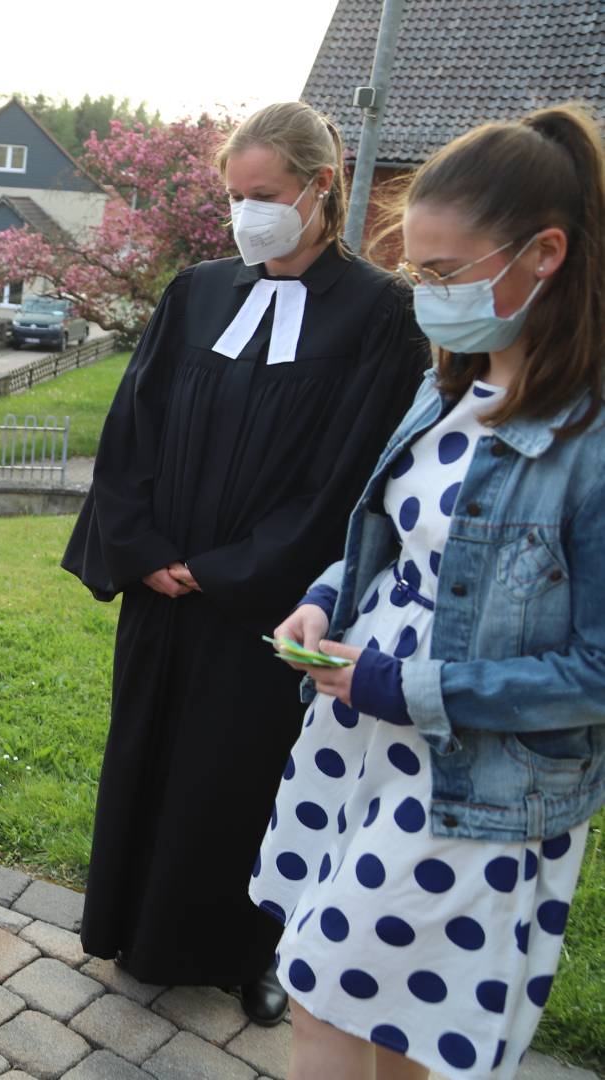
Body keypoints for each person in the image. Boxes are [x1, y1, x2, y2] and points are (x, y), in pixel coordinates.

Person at [254, 103, 605, 1080]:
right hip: (361, 755)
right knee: (404, 1036)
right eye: (420, 271)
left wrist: (396, 685)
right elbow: (398, 540)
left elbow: (595, 670)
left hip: (466, 796)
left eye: (446, 274)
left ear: (544, 254)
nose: (427, 294)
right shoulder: (452, 382)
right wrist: (326, 598)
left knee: (326, 998)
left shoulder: (595, 446)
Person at [61, 102, 430, 1023]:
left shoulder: (382, 315)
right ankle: (133, 929)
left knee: (245, 780)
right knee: (149, 758)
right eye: (234, 195)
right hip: (163, 592)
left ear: (320, 189)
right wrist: (144, 551)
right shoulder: (197, 289)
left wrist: (226, 572)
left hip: (266, 604)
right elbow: (131, 429)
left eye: (263, 195)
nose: (245, 213)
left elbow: (346, 476)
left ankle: (247, 954)